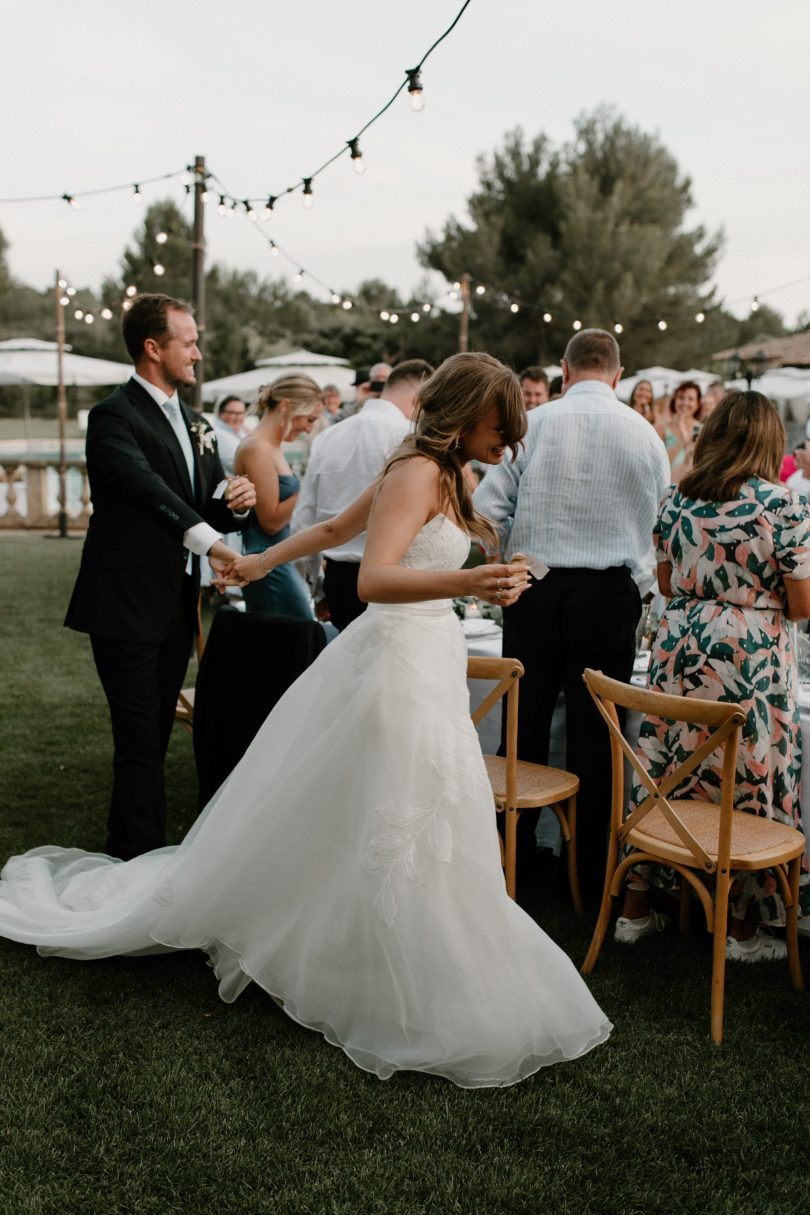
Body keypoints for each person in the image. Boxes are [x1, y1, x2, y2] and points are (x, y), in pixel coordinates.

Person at [0, 352, 611, 1088]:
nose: (506, 443)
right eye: (499, 426)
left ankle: (375, 945)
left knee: (411, 810)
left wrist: (262, 565)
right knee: (403, 810)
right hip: (397, 663)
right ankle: (385, 965)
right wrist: (467, 580)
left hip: (426, 654)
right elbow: (375, 576)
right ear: (467, 411)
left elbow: (327, 532)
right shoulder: (416, 468)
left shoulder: (443, 471)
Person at [614, 391, 810, 959]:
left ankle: (636, 906)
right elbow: (800, 607)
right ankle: (740, 929)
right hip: (750, 657)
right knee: (744, 773)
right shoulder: (785, 507)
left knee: (666, 765)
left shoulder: (678, 499)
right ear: (769, 441)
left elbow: (670, 584)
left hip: (678, 646)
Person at [474, 329, 670, 897]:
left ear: (564, 369)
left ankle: (512, 858)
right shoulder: (646, 435)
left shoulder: (535, 424)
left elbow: (488, 509)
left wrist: (511, 560)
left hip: (534, 587)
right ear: (617, 373)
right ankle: (589, 870)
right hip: (610, 597)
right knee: (597, 734)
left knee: (525, 724)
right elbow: (660, 526)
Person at [64, 293, 256, 860]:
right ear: (153, 348)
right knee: (139, 740)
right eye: (188, 341)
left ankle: (141, 848)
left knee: (153, 732)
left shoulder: (197, 423)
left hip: (176, 602)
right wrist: (214, 544)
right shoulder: (112, 417)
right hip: (123, 602)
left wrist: (235, 504)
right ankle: (136, 859)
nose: (198, 352)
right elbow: (143, 491)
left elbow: (203, 500)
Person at [292, 359, 433, 630]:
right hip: (393, 580)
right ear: (418, 400)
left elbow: (304, 519)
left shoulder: (327, 436)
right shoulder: (408, 437)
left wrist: (318, 589)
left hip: (338, 580)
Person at [234, 375, 323, 618]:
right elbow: (271, 521)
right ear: (286, 406)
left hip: (277, 560)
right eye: (309, 419)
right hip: (266, 564)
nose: (308, 428)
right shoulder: (257, 448)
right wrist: (310, 487)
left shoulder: (272, 447)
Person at [656, 380, 704, 483]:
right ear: (675, 400)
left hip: (690, 487)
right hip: (666, 486)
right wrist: (681, 440)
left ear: (697, 403)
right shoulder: (662, 427)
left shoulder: (701, 429)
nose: (685, 403)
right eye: (681, 398)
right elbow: (659, 463)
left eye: (690, 399)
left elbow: (697, 463)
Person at [213, 395, 250, 475]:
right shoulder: (219, 434)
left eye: (241, 413)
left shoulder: (241, 431)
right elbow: (243, 466)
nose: (238, 417)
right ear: (220, 413)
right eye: (232, 413)